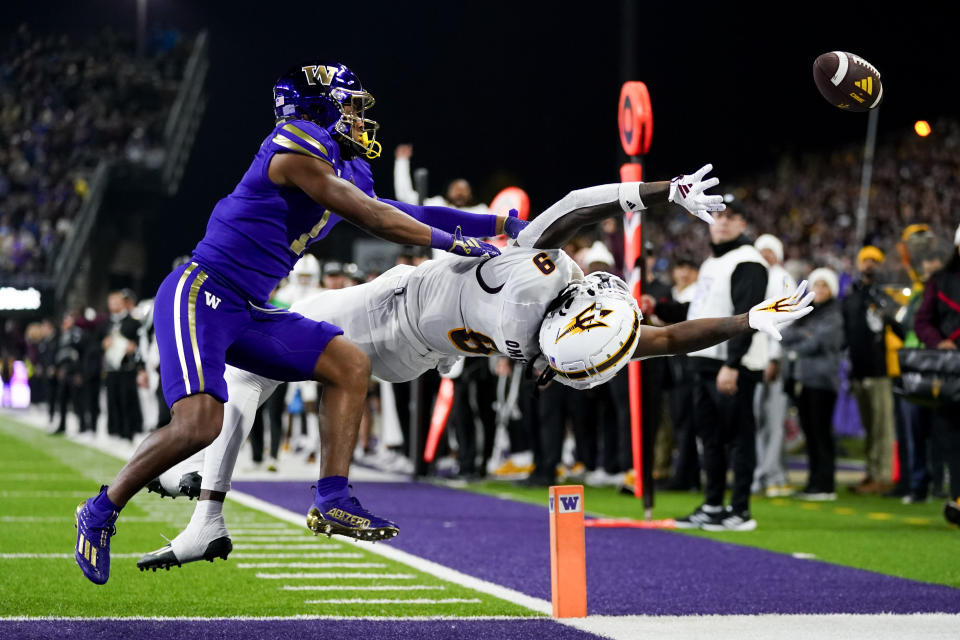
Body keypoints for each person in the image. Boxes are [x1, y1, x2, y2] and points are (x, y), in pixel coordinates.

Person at [138, 165, 812, 571]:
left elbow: (578, 204)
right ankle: (201, 500)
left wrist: (663, 192)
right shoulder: (555, 343)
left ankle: (202, 502)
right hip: (409, 354)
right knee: (254, 376)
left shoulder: (545, 281)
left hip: (383, 316)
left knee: (249, 369)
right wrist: (747, 322)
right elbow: (667, 341)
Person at [73, 59, 507, 585]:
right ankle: (100, 510)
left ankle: (332, 499)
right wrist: (451, 242)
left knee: (348, 362)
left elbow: (398, 208)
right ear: (318, 107)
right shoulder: (293, 143)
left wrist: (501, 224)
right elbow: (376, 218)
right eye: (348, 105)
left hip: (250, 306)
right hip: (202, 292)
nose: (358, 118)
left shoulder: (344, 165)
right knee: (199, 423)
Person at [671, 202, 770, 532]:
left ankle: (740, 509)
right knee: (710, 438)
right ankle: (713, 503)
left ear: (743, 223)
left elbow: (748, 316)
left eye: (731, 217)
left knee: (739, 438)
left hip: (731, 365)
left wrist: (733, 363)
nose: (723, 223)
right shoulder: (714, 260)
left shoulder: (749, 261)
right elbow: (703, 309)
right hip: (705, 361)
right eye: (719, 217)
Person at [841, 246, 904, 495]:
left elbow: (899, 326)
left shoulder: (885, 296)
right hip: (859, 369)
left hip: (880, 370)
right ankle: (871, 472)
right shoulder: (852, 296)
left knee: (883, 427)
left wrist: (885, 308)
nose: (869, 265)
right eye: (865, 260)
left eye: (874, 261)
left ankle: (884, 475)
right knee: (869, 426)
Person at [781, 268, 844, 500]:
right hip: (804, 379)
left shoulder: (834, 314)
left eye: (824, 286)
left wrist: (801, 340)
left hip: (823, 381)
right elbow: (785, 335)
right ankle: (813, 482)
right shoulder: (808, 313)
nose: (819, 290)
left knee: (821, 432)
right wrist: (805, 335)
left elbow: (817, 342)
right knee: (810, 432)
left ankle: (825, 484)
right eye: (816, 285)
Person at [913, 224, 960, 527]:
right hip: (951, 370)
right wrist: (937, 341)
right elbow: (922, 321)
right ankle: (956, 496)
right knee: (952, 436)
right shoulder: (940, 280)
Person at [752, 234, 796, 498]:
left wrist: (774, 357)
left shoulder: (781, 278)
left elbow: (783, 322)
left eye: (769, 250)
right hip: (757, 357)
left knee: (773, 420)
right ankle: (775, 474)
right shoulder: (759, 277)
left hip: (771, 358)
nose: (765, 255)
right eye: (761, 251)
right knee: (763, 420)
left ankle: (767, 475)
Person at [102, 290, 143, 441]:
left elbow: (141, 342)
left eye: (117, 302)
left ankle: (129, 432)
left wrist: (134, 347)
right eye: (111, 302)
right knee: (112, 400)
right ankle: (115, 431)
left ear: (123, 303)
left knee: (128, 399)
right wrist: (104, 343)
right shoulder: (107, 323)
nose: (114, 305)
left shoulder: (133, 322)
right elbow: (99, 341)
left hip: (127, 368)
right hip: (111, 368)